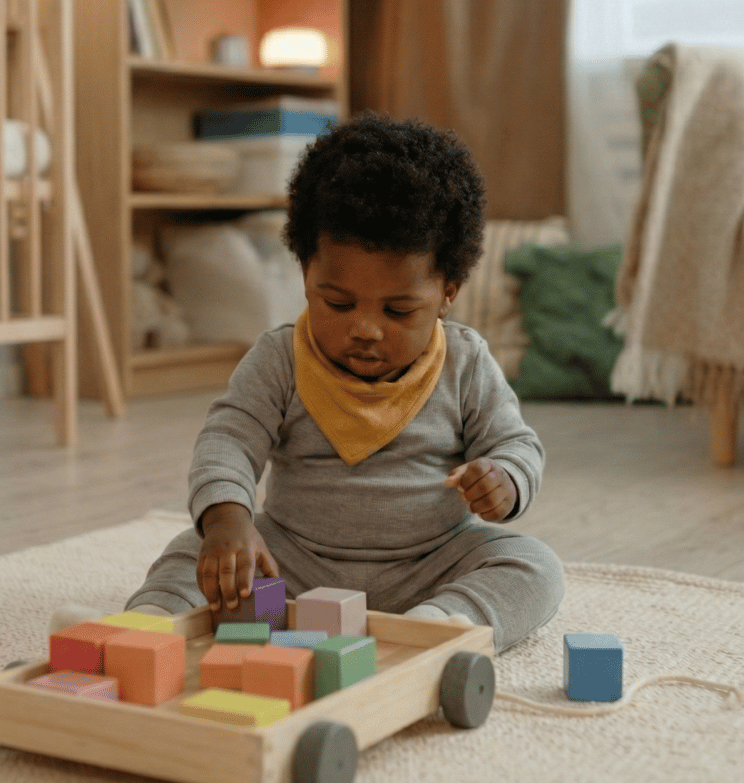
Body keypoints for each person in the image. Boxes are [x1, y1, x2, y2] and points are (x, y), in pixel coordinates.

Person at [122, 113, 564, 654]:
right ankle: (145, 626)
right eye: (337, 303)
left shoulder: (466, 364)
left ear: (448, 291)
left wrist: (505, 478)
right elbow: (228, 440)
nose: (365, 330)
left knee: (534, 565)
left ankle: (439, 625)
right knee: (191, 550)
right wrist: (228, 523)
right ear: (306, 271)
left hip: (428, 566)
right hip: (292, 567)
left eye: (399, 310)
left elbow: (516, 443)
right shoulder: (280, 359)